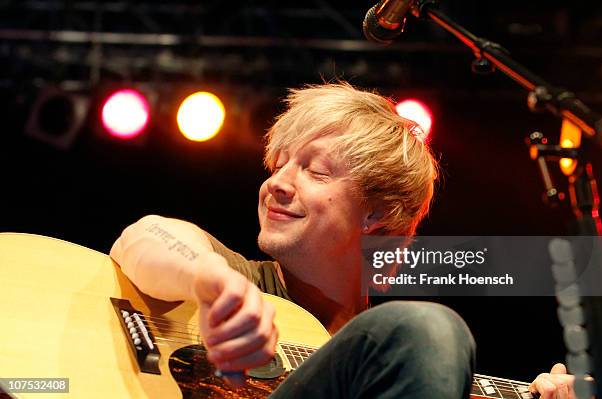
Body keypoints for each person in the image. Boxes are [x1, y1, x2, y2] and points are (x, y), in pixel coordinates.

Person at [110, 82, 577, 398]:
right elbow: (143, 237)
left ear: (377, 212)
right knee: (428, 328)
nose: (279, 183)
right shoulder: (243, 284)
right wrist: (212, 284)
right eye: (280, 164)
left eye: (315, 170)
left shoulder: (405, 358)